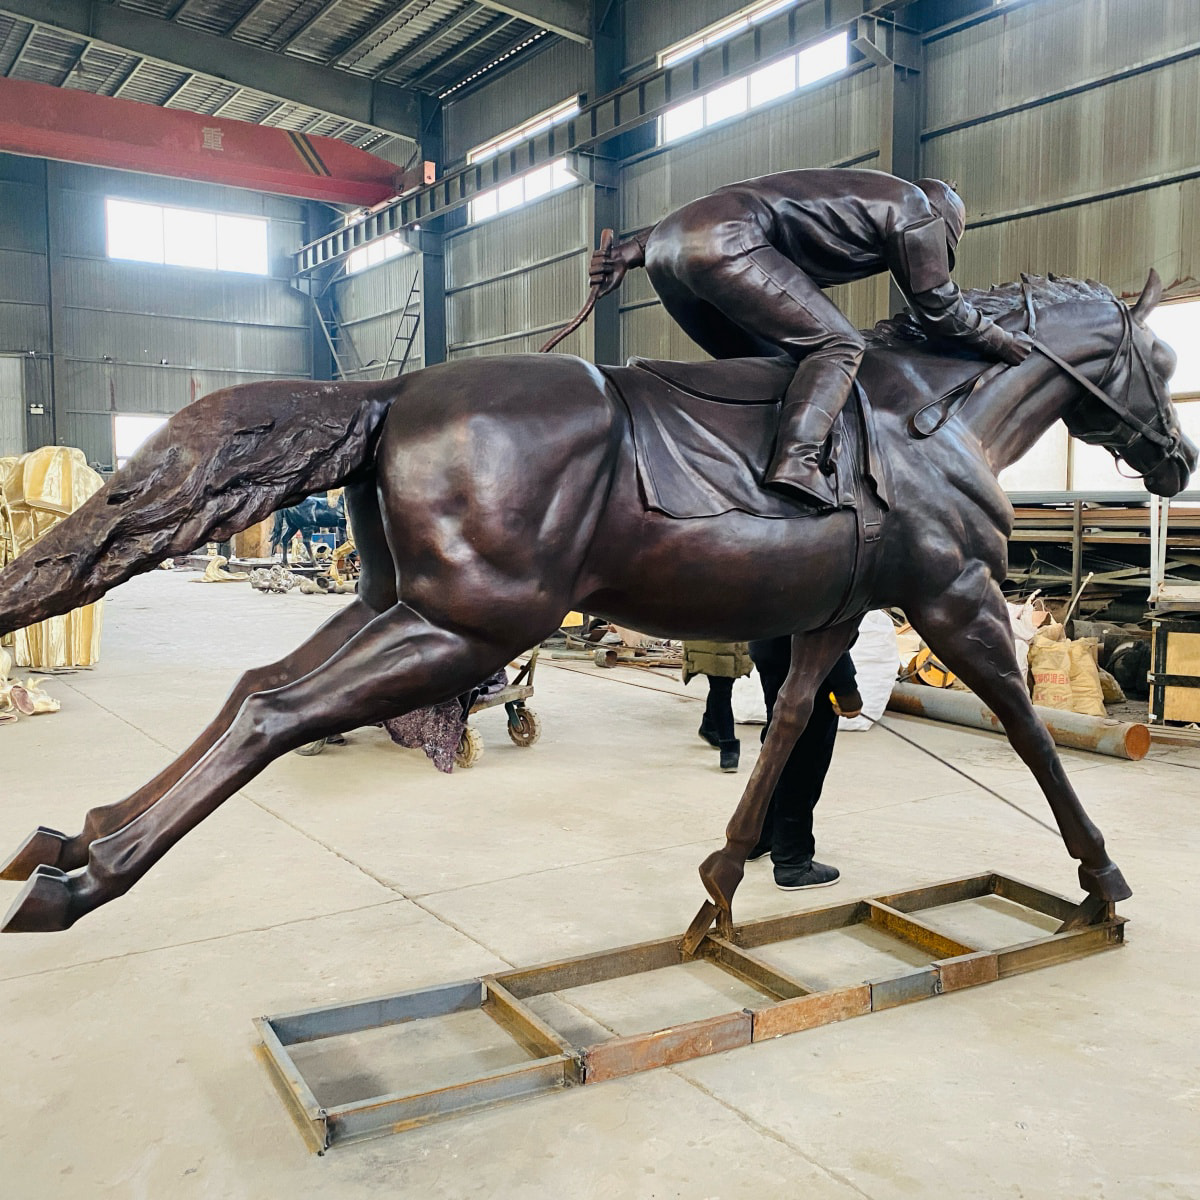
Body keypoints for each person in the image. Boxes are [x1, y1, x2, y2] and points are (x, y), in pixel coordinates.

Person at [588, 168, 1032, 507]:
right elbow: (936, 303)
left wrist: (632, 250)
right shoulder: (916, 209)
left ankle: (736, 465)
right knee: (839, 345)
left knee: (775, 368)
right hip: (727, 239)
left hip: (666, 248)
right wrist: (999, 340)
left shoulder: (852, 190)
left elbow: (714, 207)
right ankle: (796, 461)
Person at [747, 638, 862, 890]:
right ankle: (793, 863)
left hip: (769, 650)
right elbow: (821, 627)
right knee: (803, 762)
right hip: (809, 666)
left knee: (777, 749)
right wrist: (846, 687)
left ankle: (760, 836)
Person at [682, 640, 752, 771]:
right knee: (721, 684)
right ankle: (728, 746)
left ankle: (709, 726)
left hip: (738, 633)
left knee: (726, 680)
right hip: (714, 633)